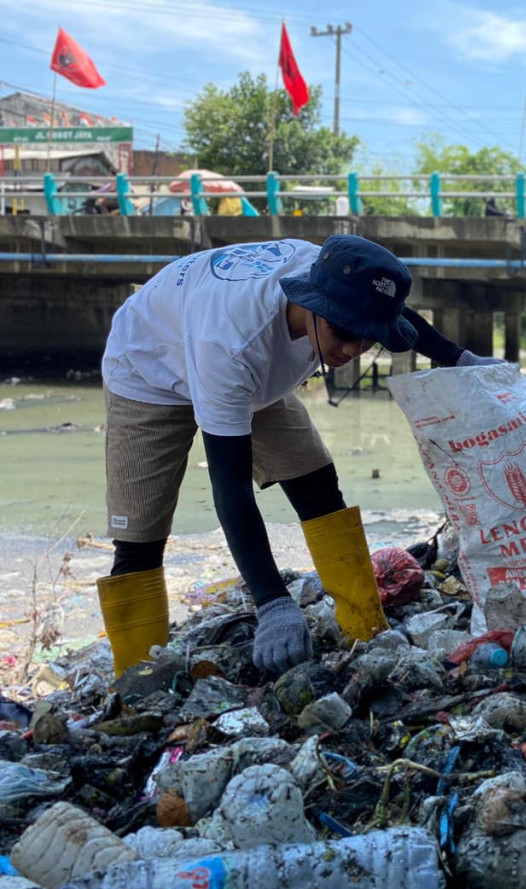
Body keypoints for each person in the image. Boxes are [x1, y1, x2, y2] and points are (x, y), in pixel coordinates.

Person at [97, 235, 503, 678]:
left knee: (317, 484)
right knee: (140, 538)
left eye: (368, 339)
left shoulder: (337, 270)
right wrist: (273, 602)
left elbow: (384, 310)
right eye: (343, 332)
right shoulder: (231, 344)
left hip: (250, 371)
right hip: (150, 369)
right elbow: (230, 487)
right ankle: (138, 682)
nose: (352, 351)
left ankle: (365, 627)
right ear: (310, 302)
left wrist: (457, 357)